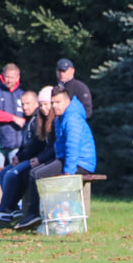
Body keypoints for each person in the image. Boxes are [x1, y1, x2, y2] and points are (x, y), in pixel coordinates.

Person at [14, 86, 96, 231]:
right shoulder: (61, 117)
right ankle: (34, 215)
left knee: (37, 174)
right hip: (66, 159)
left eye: (57, 102)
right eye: (52, 102)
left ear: (67, 101)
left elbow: (72, 147)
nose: (54, 106)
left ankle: (34, 215)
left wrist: (68, 173)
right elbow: (59, 145)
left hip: (80, 162)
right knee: (32, 172)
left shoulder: (72, 118)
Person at [0, 87, 58, 228]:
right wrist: (18, 156)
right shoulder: (30, 121)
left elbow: (37, 145)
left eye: (27, 104)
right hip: (30, 157)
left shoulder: (41, 120)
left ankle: (7, 210)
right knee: (3, 174)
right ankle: (12, 208)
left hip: (37, 158)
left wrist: (24, 157)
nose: (24, 107)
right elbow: (24, 144)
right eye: (22, 104)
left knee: (13, 174)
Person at [0, 63, 25, 163]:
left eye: (12, 77)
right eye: (7, 77)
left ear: (18, 78)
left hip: (17, 145)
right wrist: (13, 118)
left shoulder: (22, 94)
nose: (9, 80)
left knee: (14, 174)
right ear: (2, 76)